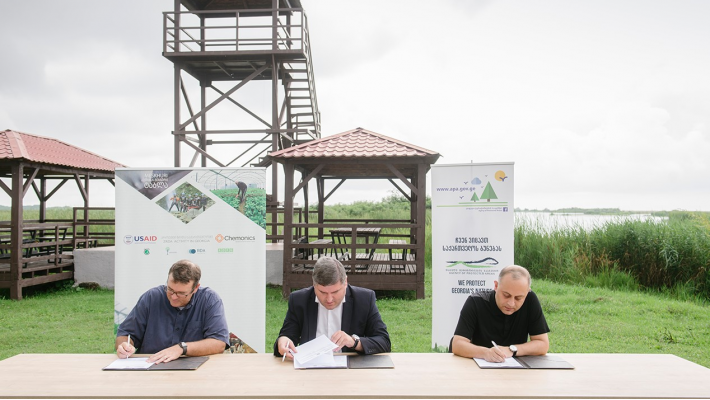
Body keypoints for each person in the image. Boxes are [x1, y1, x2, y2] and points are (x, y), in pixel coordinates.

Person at [274, 256, 391, 359]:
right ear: (314, 284)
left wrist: (353, 342)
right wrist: (283, 341)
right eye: (322, 292)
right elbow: (287, 337)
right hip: (310, 370)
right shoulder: (299, 300)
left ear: (345, 282)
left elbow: (384, 342)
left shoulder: (364, 299)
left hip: (350, 372)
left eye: (335, 292)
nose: (329, 299)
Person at [115, 259, 229, 363]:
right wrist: (124, 346)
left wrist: (181, 348)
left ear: (195, 288)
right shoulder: (151, 297)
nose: (173, 297)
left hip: (192, 366)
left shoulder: (209, 300)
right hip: (151, 364)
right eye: (170, 289)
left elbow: (218, 343)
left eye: (181, 293)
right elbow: (125, 334)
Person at [451, 265, 550, 362]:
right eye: (506, 295)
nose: (511, 303)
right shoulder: (476, 301)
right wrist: (485, 353)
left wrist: (511, 350)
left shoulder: (530, 300)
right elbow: (457, 344)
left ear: (527, 292)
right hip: (476, 365)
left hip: (514, 368)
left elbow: (543, 344)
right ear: (496, 286)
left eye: (518, 298)